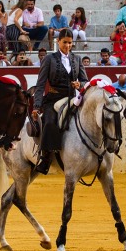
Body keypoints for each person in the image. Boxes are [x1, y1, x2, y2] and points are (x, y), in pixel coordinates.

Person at [31, 28, 88, 175]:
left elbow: (85, 81)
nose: (67, 46)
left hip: (72, 99)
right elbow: (41, 84)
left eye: (70, 43)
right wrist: (37, 106)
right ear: (58, 41)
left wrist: (79, 85)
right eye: (65, 43)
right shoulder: (49, 59)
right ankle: (46, 158)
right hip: (53, 99)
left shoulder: (77, 59)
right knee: (50, 122)